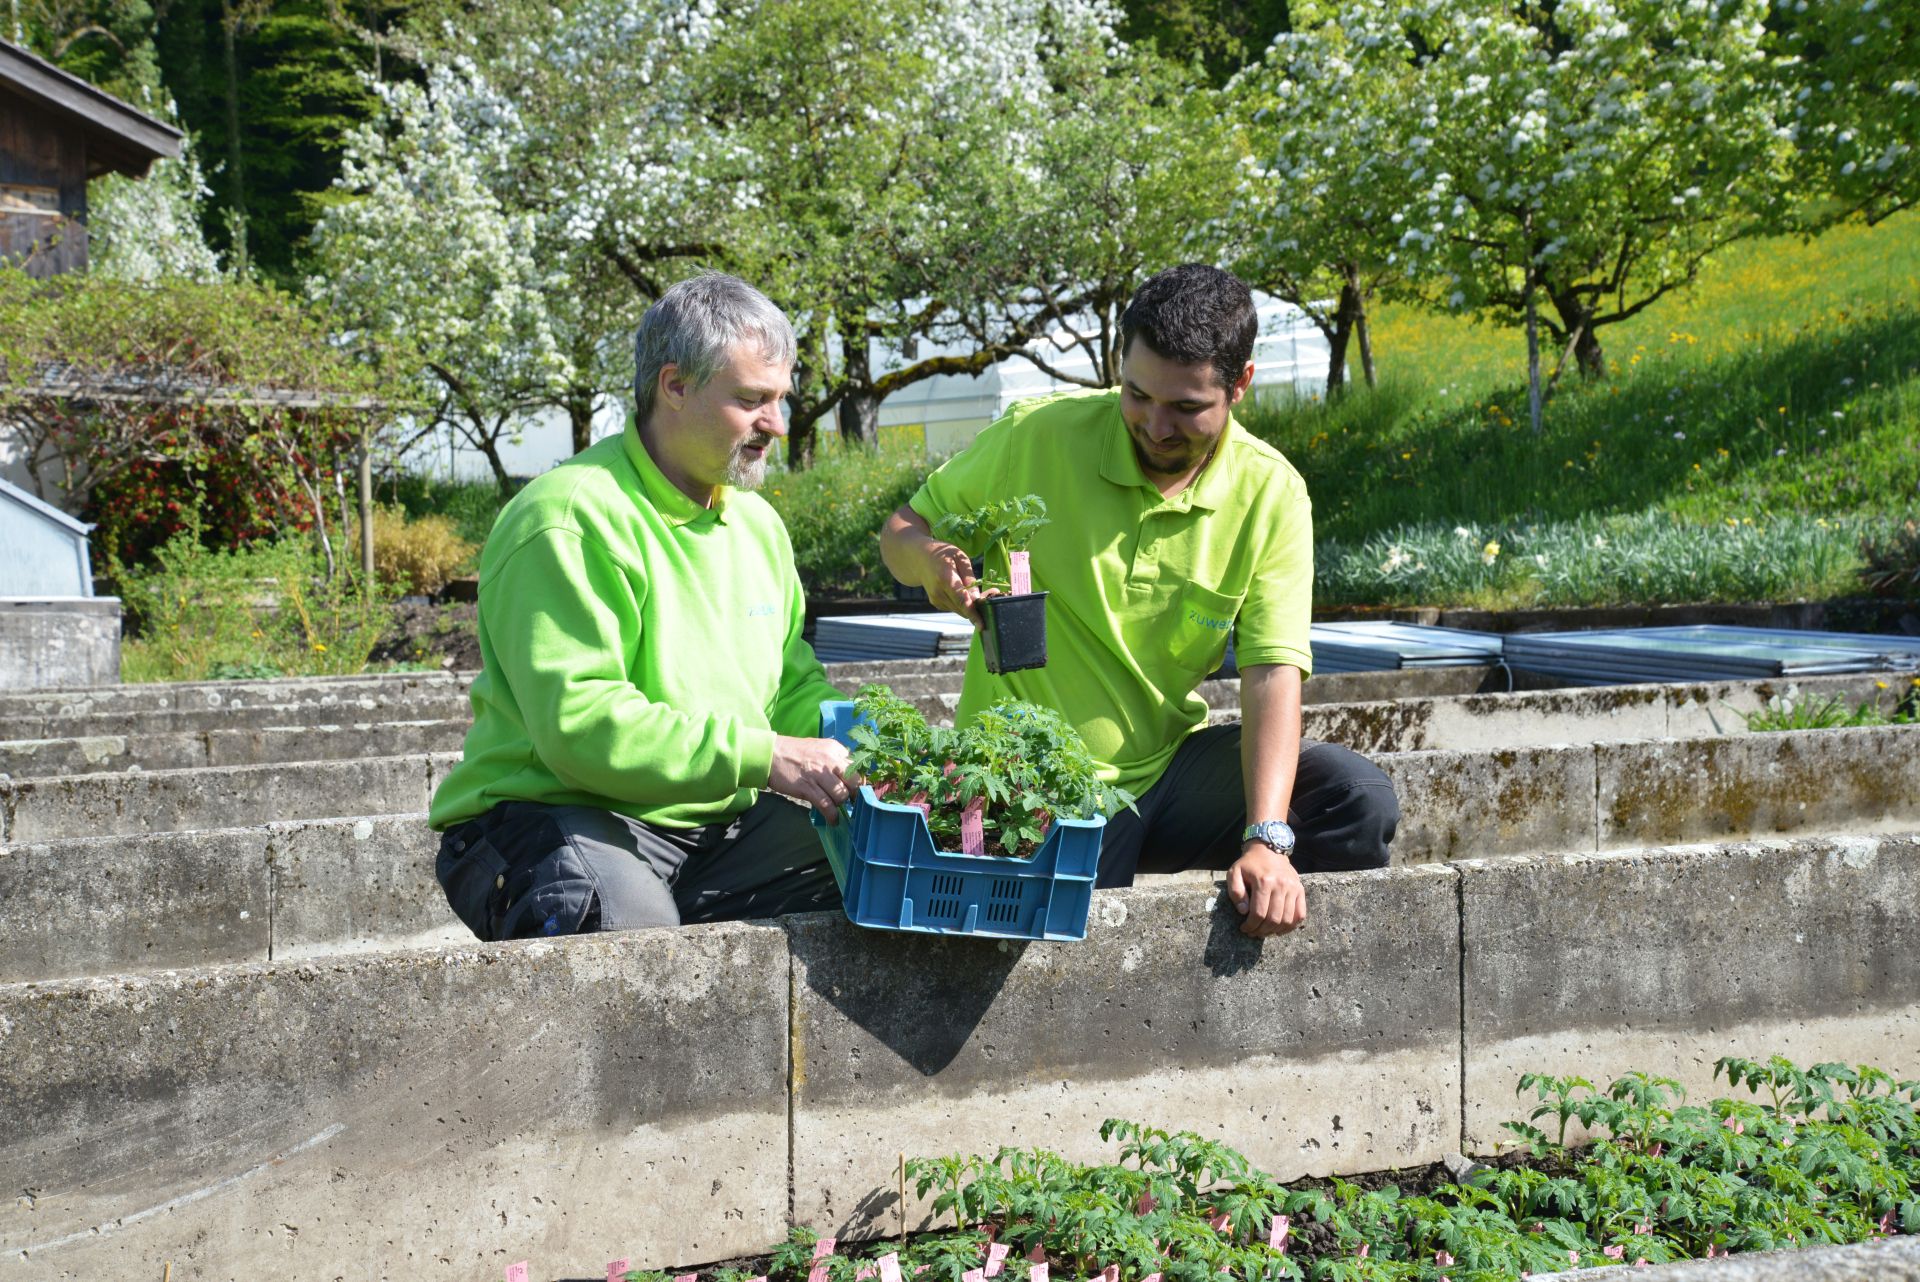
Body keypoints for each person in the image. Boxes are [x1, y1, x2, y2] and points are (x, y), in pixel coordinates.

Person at [880, 263, 1397, 939]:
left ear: (1239, 385)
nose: (1154, 426)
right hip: (1037, 784)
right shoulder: (1040, 437)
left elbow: (1272, 672)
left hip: (1163, 775)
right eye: (1136, 395)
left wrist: (1268, 841)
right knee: (1045, 910)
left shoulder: (1270, 495)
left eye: (1185, 408)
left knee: (1353, 796)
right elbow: (900, 531)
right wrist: (932, 561)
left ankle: (1289, 975)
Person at [428, 273, 852, 939]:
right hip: (556, 812)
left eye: (780, 400)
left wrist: (871, 750)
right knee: (628, 930)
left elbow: (790, 686)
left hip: (712, 820)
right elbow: (583, 725)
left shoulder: (757, 527)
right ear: (675, 386)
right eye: (751, 400)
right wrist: (764, 756)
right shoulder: (569, 518)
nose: (776, 424)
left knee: (867, 866)